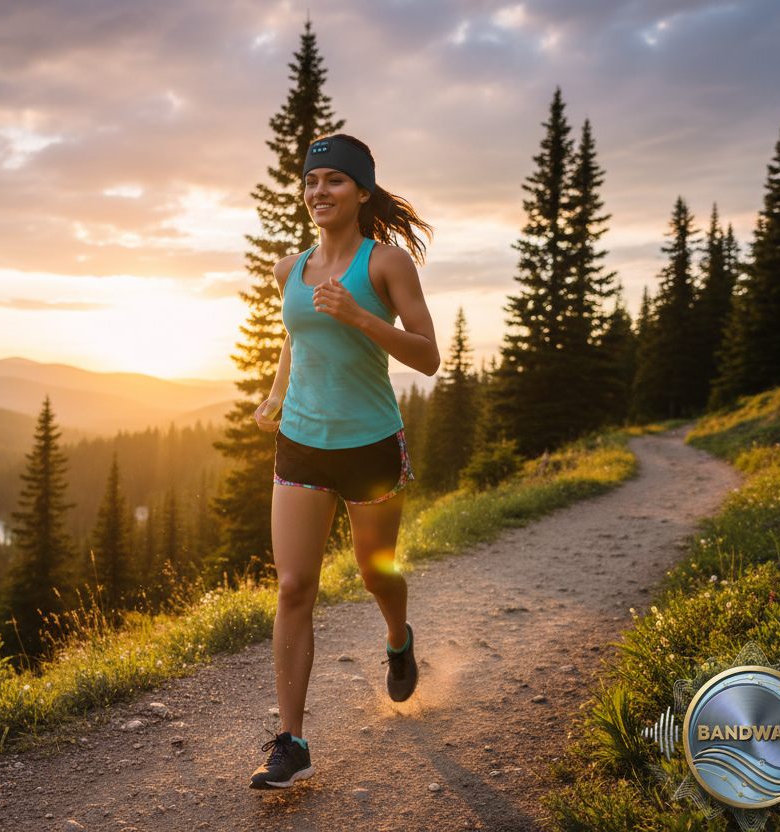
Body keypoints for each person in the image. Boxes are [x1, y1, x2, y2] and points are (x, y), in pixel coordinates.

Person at [248, 134, 440, 790]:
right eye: (311, 181)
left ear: (361, 192)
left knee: (373, 574)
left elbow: (427, 355)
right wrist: (276, 395)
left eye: (334, 180)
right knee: (294, 586)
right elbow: (295, 337)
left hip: (368, 446)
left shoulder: (384, 264)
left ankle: (398, 639)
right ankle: (292, 740)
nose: (319, 191)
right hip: (301, 442)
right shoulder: (290, 269)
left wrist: (361, 317)